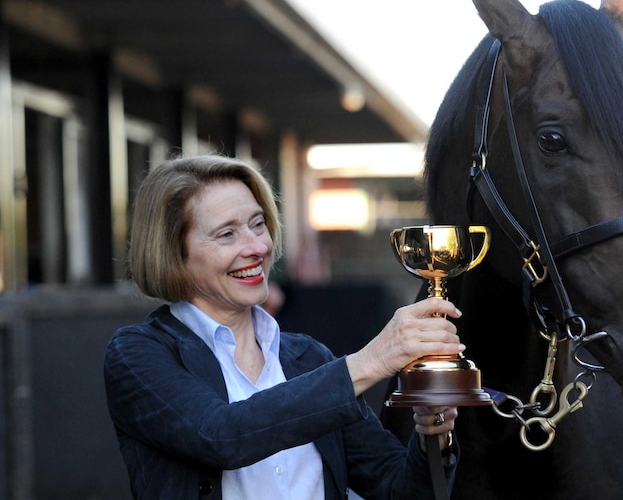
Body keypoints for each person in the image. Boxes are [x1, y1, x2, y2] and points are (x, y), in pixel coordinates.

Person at [104, 154, 461, 500]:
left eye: (258, 224)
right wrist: (371, 361)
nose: (257, 247)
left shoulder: (307, 358)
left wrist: (432, 434)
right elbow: (221, 436)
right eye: (227, 234)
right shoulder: (138, 353)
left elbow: (399, 488)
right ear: (173, 253)